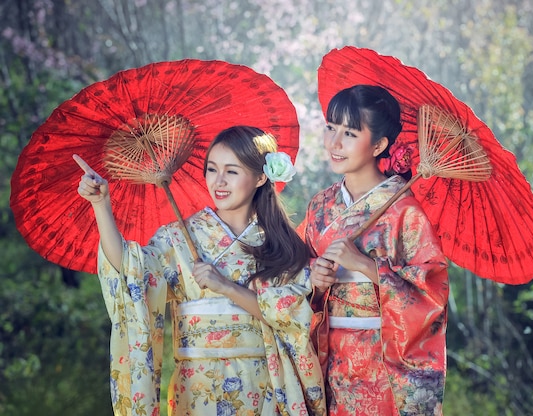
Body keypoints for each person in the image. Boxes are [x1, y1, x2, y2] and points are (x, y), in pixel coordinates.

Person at [75, 125, 326, 416]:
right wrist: (101, 205)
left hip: (262, 383)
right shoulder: (177, 238)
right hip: (197, 388)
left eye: (231, 171)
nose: (218, 181)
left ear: (260, 177)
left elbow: (292, 317)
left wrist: (227, 287)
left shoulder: (280, 244)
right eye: (211, 169)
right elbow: (130, 273)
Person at [298, 85, 449, 416]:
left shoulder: (405, 212)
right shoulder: (321, 206)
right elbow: (294, 271)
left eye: (350, 133)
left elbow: (431, 291)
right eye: (330, 128)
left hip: (382, 364)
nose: (334, 143)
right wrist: (314, 277)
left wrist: (367, 266)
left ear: (379, 145)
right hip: (326, 362)